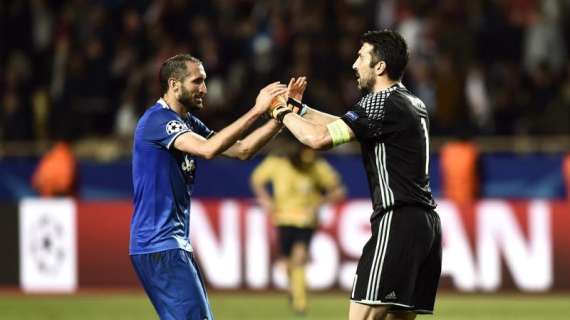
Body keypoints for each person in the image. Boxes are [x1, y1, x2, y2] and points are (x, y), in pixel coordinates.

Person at [270, 30, 441, 320]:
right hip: (425, 225)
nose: (354, 64)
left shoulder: (381, 101)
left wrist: (280, 112)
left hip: (397, 220)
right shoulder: (411, 102)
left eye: (361, 57)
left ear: (380, 66)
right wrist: (300, 109)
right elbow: (344, 125)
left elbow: (318, 140)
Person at [129, 53, 303, 320]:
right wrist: (257, 109)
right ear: (174, 85)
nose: (205, 89)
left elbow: (242, 150)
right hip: (160, 245)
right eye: (197, 81)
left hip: (169, 244)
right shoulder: (158, 121)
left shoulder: (187, 122)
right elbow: (208, 149)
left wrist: (281, 115)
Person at [250, 141, 346, 314]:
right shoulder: (277, 163)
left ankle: (300, 303)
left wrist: (319, 204)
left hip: (306, 220)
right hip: (283, 219)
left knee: (300, 257)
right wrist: (266, 200)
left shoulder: (316, 165)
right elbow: (257, 180)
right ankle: (295, 290)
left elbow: (339, 191)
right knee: (287, 264)